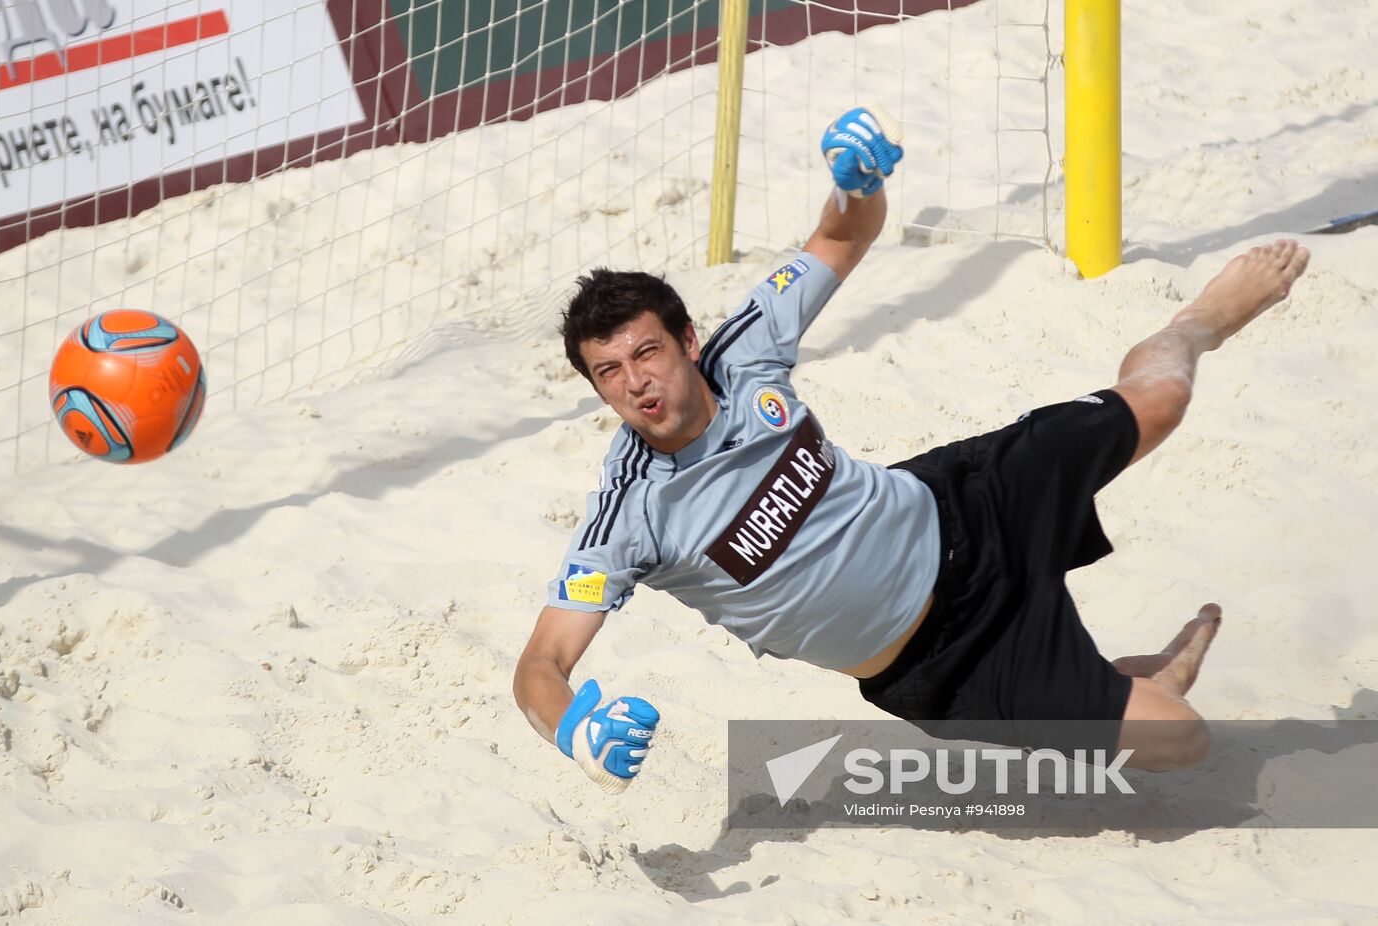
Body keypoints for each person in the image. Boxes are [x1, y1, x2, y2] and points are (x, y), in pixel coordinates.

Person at [511, 105, 1311, 792]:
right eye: (608, 372)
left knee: (1163, 401)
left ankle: (1193, 325)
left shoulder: (746, 350)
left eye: (646, 353)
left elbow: (842, 233)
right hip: (947, 660)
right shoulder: (631, 514)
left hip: (963, 506)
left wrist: (858, 183)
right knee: (1181, 740)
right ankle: (1132, 682)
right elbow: (539, 667)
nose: (634, 383)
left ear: (686, 340)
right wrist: (576, 729)